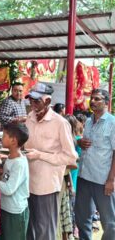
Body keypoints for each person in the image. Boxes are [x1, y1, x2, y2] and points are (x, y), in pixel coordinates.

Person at [24, 82, 78, 240]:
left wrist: (40, 155)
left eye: (36, 101)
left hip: (46, 186)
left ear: (47, 101)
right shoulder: (30, 117)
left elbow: (70, 157)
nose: (32, 104)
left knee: (45, 231)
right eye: (31, 100)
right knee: (30, 228)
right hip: (28, 182)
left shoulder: (60, 123)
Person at [75, 89, 115, 240]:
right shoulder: (89, 121)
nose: (92, 101)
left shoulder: (112, 123)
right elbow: (84, 143)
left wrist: (111, 180)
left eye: (97, 99)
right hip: (84, 176)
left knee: (110, 222)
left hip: (102, 180)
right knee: (82, 218)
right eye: (91, 98)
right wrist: (79, 141)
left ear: (106, 102)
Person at [0, 124, 30, 240]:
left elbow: (9, 189)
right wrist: (0, 171)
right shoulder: (11, 157)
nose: (1, 138)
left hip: (15, 212)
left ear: (13, 141)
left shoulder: (19, 163)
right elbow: (8, 177)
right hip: (6, 207)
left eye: (4, 136)